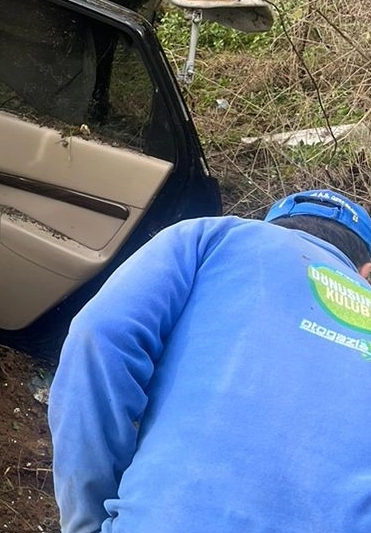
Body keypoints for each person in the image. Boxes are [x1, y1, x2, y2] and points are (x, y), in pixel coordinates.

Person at [48, 188, 371, 533]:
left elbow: (100, 335)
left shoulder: (213, 238)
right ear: (366, 273)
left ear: (274, 227)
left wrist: (87, 519)